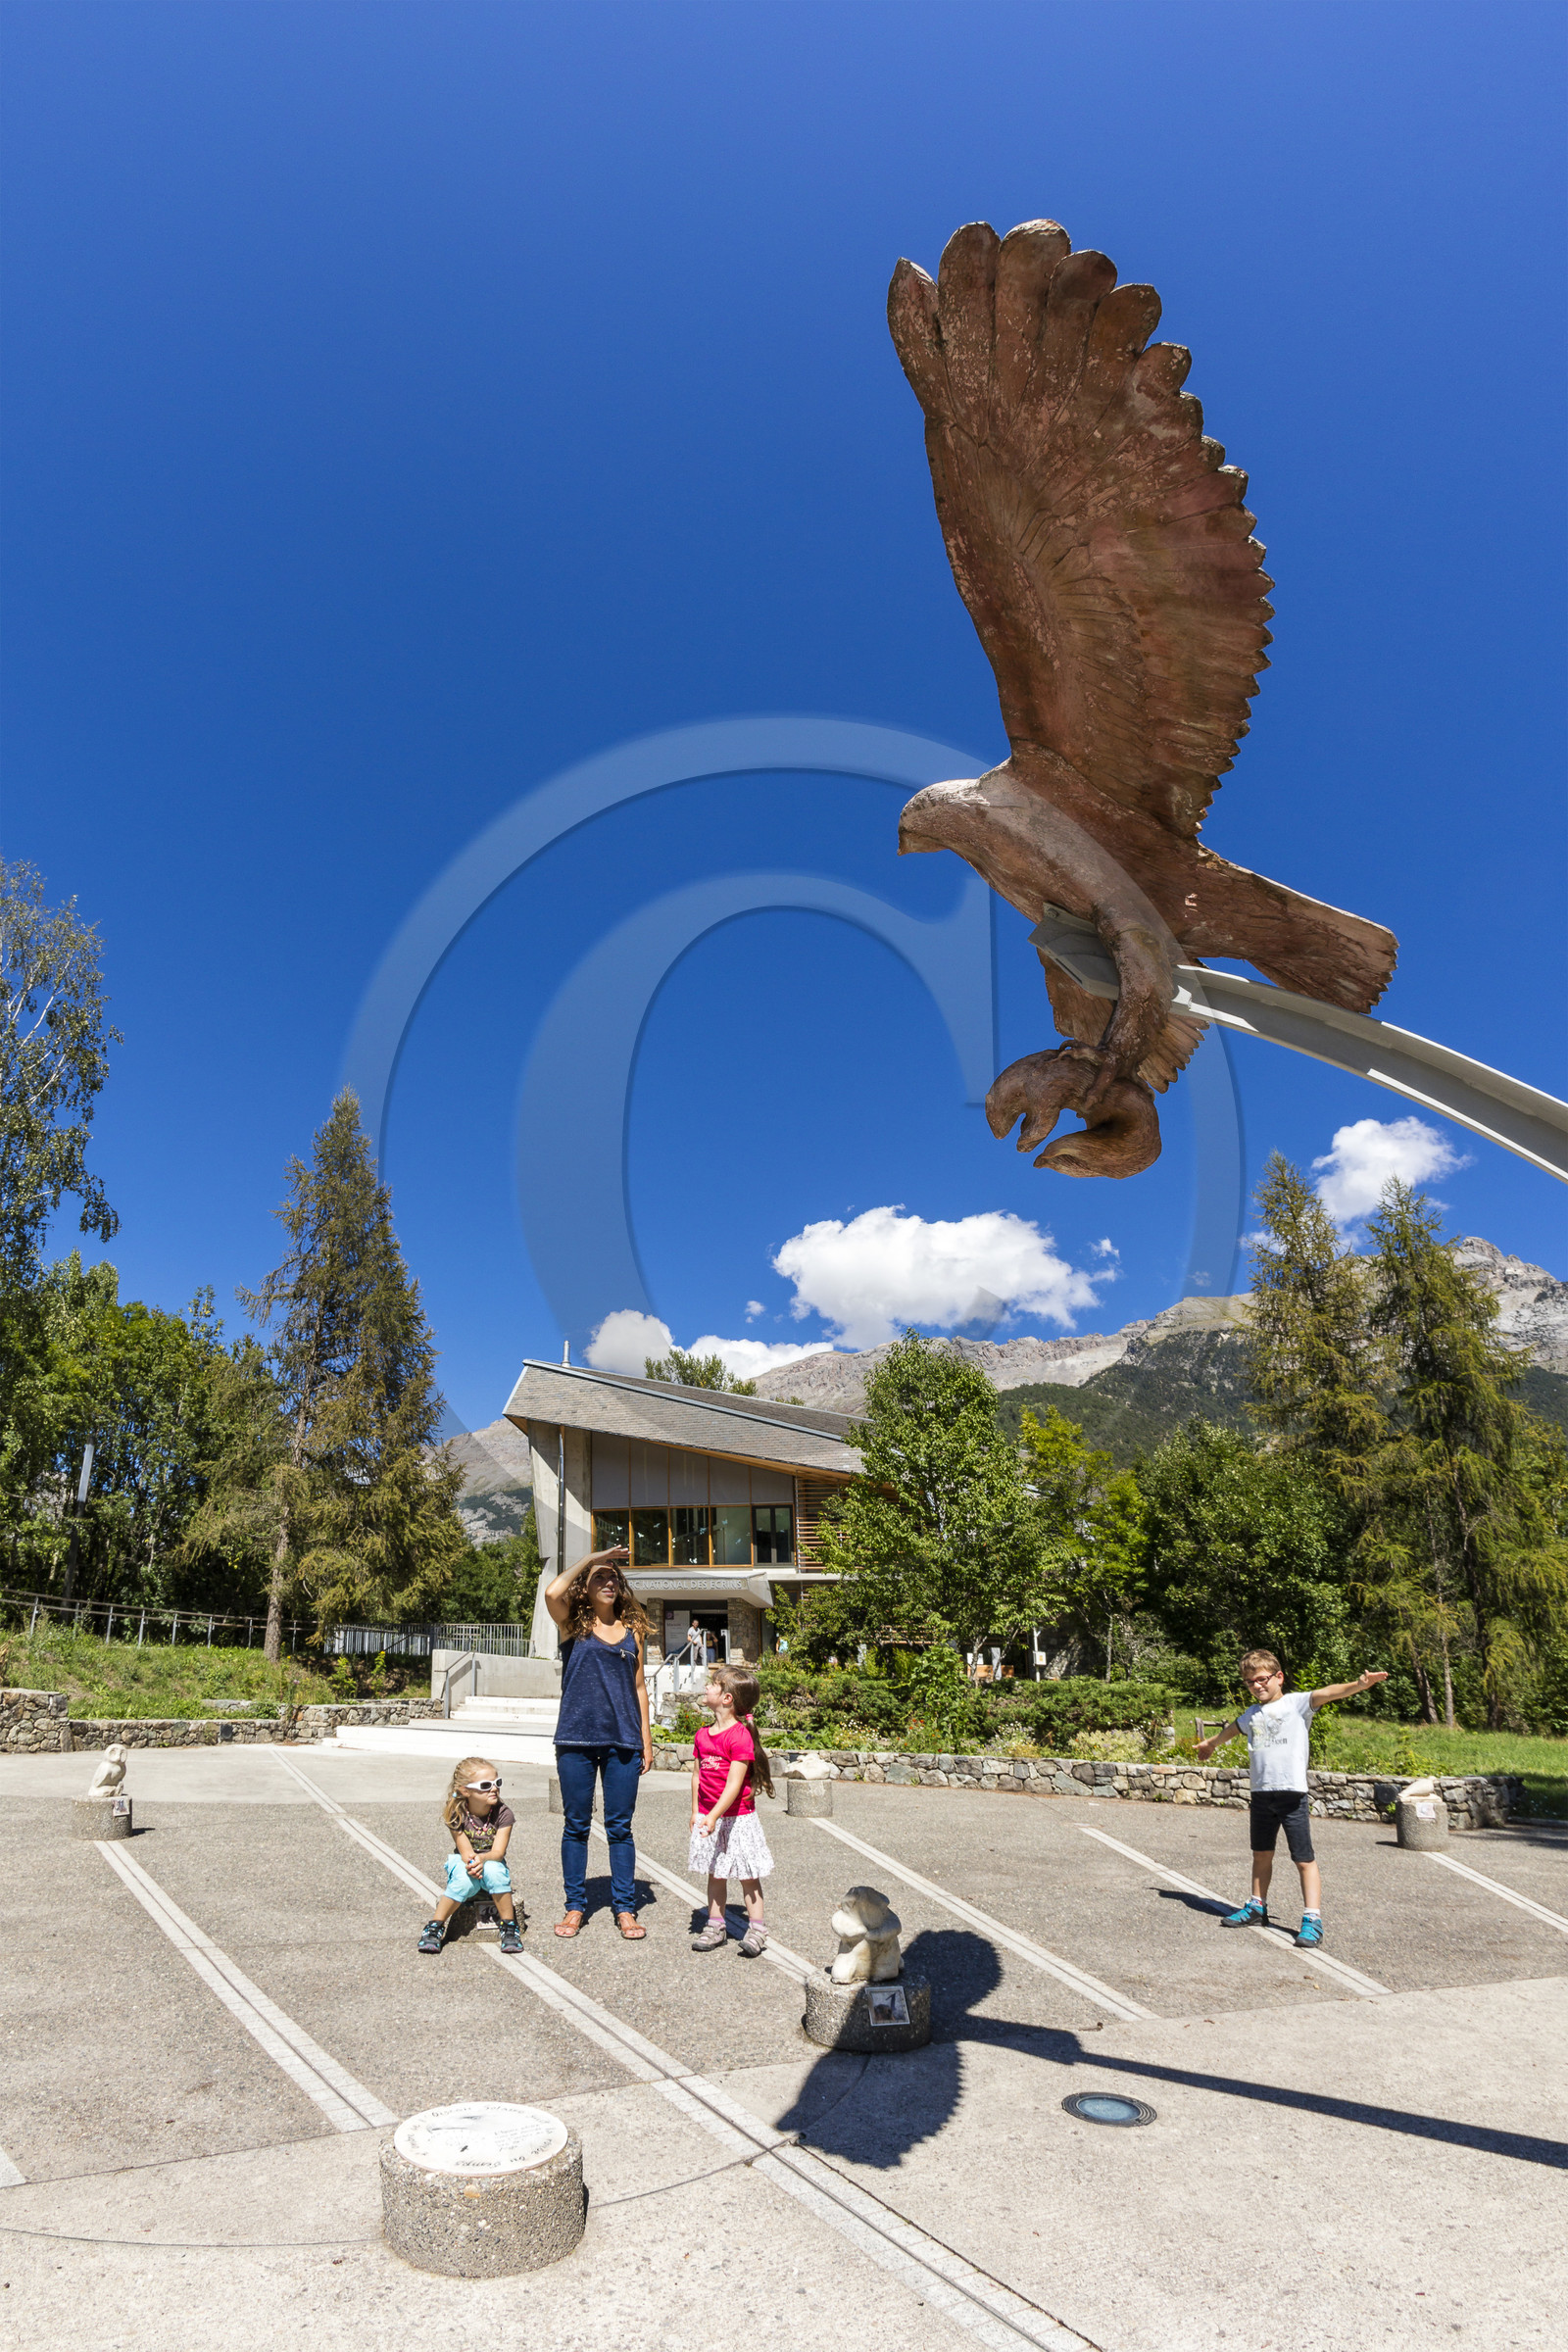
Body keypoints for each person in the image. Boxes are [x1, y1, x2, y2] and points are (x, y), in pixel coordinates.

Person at [1198, 1649, 1388, 1948]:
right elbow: (1232, 1730)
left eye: (1261, 1679)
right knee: (1261, 1854)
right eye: (1249, 1682)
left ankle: (1312, 1919)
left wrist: (1359, 1684)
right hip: (1261, 1795)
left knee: (1303, 1859)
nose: (1256, 1685)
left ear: (1278, 1677)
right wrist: (1210, 1743)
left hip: (1292, 1794)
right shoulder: (1251, 1714)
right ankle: (1257, 1907)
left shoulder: (1296, 1703)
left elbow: (1328, 1693)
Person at [545, 1544, 654, 1940]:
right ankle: (575, 1906)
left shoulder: (633, 1632)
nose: (608, 1582)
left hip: (623, 1740)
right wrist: (591, 1558)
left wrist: (647, 1738)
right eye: (599, 1577)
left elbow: (640, 1687)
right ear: (586, 1587)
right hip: (575, 1737)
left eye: (613, 1577)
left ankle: (625, 1909)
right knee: (576, 1825)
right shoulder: (573, 1625)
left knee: (620, 1828)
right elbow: (553, 1593)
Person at [688, 1662, 775, 1957]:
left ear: (727, 1698)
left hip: (737, 1819)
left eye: (714, 1683)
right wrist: (696, 1812)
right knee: (716, 1872)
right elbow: (697, 1776)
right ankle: (715, 1925)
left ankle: (758, 1929)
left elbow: (734, 1785)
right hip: (709, 1816)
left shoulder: (739, 1736)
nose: (707, 1686)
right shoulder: (702, 1735)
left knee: (748, 1874)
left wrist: (713, 1815)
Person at [416, 1757, 524, 1954]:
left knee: (496, 1873)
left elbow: (498, 1852)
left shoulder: (503, 1814)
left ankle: (509, 1927)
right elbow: (465, 1852)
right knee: (464, 1881)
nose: (494, 1789)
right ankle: (435, 1926)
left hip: (491, 1859)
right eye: (485, 1785)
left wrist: (482, 1860)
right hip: (465, 1860)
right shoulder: (456, 1813)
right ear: (466, 1791)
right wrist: (475, 1863)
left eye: (496, 1783)